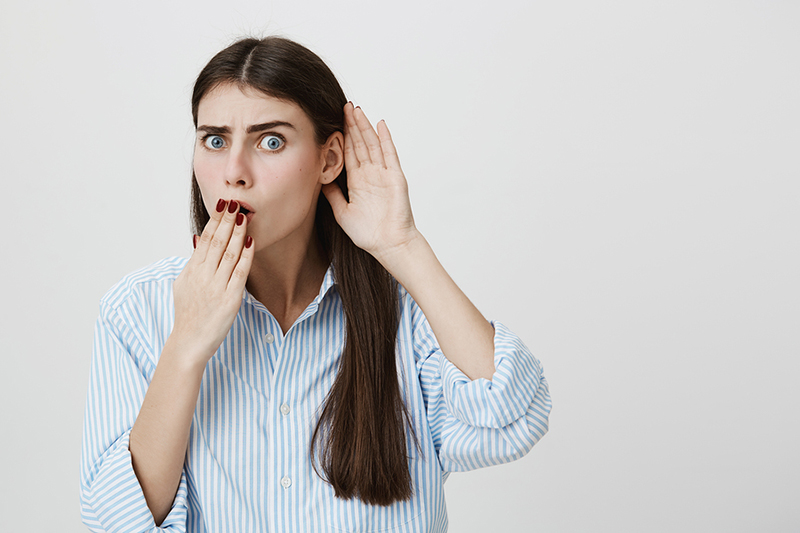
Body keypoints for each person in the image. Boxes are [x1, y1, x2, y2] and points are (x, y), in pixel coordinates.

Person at [80, 36, 551, 532]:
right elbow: (114, 523)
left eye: (271, 141)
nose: (233, 173)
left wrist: (403, 248)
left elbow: (512, 419)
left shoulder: (407, 314)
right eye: (214, 140)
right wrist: (186, 347)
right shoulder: (138, 309)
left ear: (329, 160)